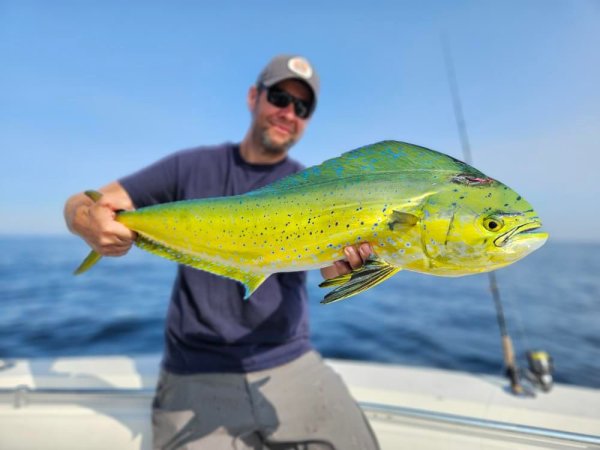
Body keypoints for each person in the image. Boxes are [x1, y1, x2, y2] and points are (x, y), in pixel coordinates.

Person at [64, 54, 379, 450]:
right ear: (253, 96)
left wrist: (348, 272)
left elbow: (331, 272)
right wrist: (85, 221)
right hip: (196, 369)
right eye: (280, 97)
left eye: (302, 107)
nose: (288, 112)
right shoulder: (190, 166)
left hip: (291, 360)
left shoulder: (312, 187)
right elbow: (83, 201)